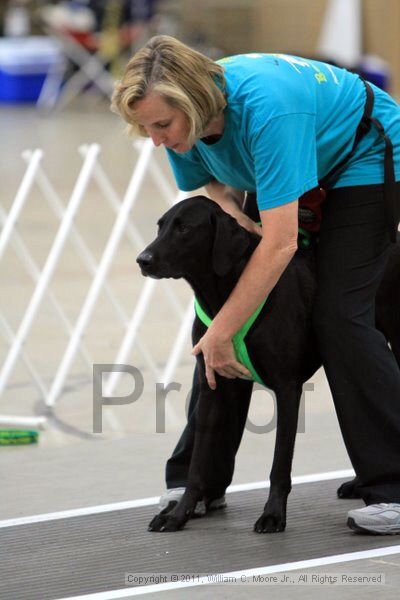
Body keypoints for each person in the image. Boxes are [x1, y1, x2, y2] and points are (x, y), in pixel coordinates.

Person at [112, 35, 400, 534]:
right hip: (293, 164)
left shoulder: (267, 110)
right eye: (144, 128)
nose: (155, 139)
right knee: (222, 306)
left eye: (161, 125)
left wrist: (223, 331)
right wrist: (235, 221)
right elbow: (216, 185)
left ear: (196, 105)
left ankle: (393, 486)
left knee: (338, 315)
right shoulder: (183, 124)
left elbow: (281, 244)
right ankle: (198, 481)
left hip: (365, 155)